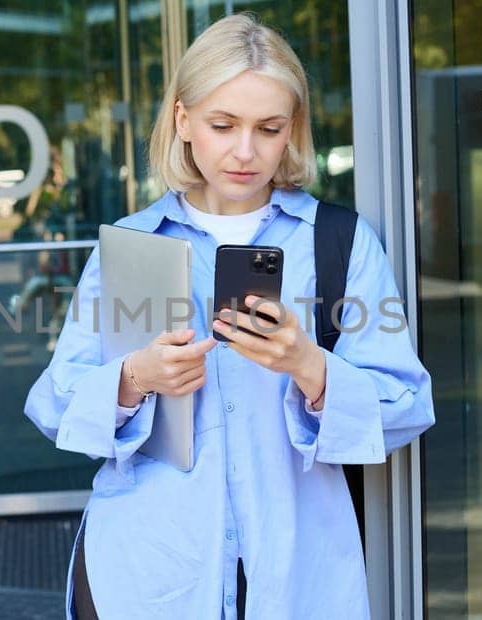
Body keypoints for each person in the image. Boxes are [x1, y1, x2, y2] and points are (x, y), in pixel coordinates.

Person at [23, 14, 434, 619]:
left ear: (291, 130)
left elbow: (406, 405)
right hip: (147, 570)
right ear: (184, 121)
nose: (246, 151)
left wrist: (310, 368)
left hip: (295, 571)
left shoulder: (341, 243)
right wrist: (136, 377)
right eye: (223, 125)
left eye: (268, 128)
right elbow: (54, 406)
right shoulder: (131, 246)